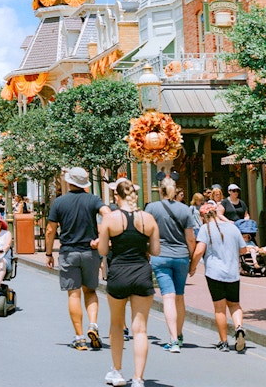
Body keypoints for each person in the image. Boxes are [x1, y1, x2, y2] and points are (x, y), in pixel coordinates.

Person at [98, 181, 160, 387]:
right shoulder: (148, 219)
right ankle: (138, 379)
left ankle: (117, 371)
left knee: (116, 324)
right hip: (141, 272)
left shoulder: (110, 219)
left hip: (119, 273)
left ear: (117, 196)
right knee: (140, 329)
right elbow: (156, 250)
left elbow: (103, 251)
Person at [45, 166, 110, 351]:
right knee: (90, 291)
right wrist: (101, 238)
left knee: (74, 293)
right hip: (90, 252)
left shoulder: (59, 202)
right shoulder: (93, 199)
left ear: (69, 182)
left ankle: (80, 337)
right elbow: (108, 214)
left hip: (69, 252)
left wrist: (49, 254)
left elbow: (50, 230)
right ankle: (93, 325)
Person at [190, 202, 252, 352]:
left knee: (219, 309)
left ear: (204, 217)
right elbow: (243, 250)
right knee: (235, 305)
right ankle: (239, 328)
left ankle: (223, 342)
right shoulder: (233, 228)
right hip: (232, 273)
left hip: (214, 273)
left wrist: (192, 267)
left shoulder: (205, 229)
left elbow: (199, 251)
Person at [144, 177, 195, 353]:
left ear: (160, 190)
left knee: (168, 296)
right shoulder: (185, 209)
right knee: (179, 296)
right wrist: (192, 259)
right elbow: (190, 239)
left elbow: (146, 232)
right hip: (181, 256)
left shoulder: (152, 208)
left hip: (160, 256)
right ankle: (179, 335)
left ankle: (173, 339)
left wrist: (148, 251)